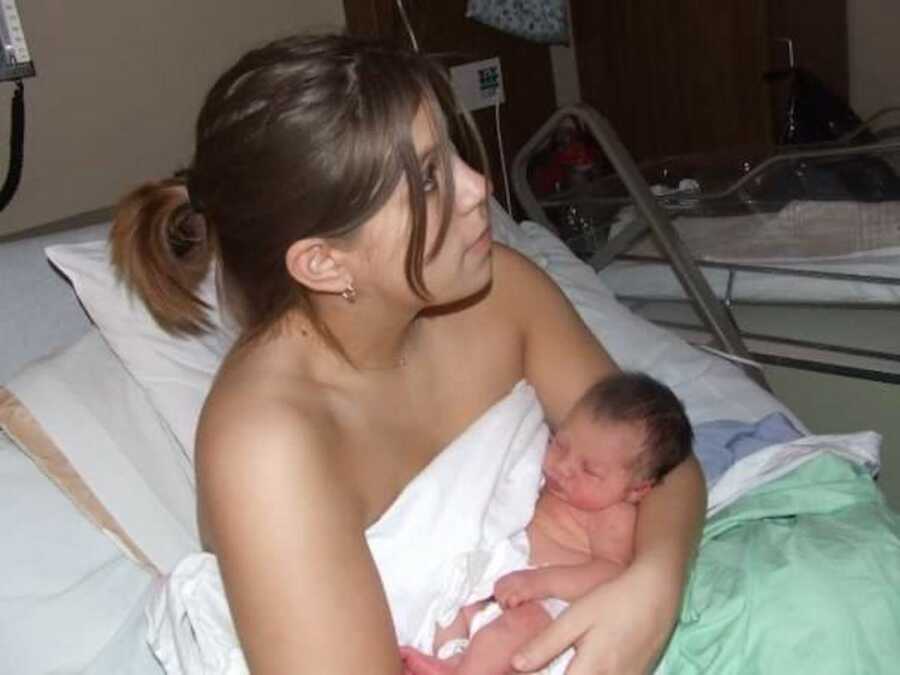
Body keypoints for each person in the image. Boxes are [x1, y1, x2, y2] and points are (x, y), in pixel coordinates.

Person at [110, 33, 706, 675]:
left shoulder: (503, 290)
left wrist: (653, 585)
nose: (478, 187)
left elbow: (660, 462)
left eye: (450, 150)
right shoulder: (269, 445)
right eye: (427, 178)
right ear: (323, 261)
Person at [401, 372, 694, 675]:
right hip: (499, 583)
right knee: (446, 602)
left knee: (508, 633)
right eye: (560, 445)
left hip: (548, 604)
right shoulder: (545, 479)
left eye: (590, 470)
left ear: (636, 489)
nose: (563, 467)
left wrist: (541, 583)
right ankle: (452, 656)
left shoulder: (613, 514)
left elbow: (611, 572)